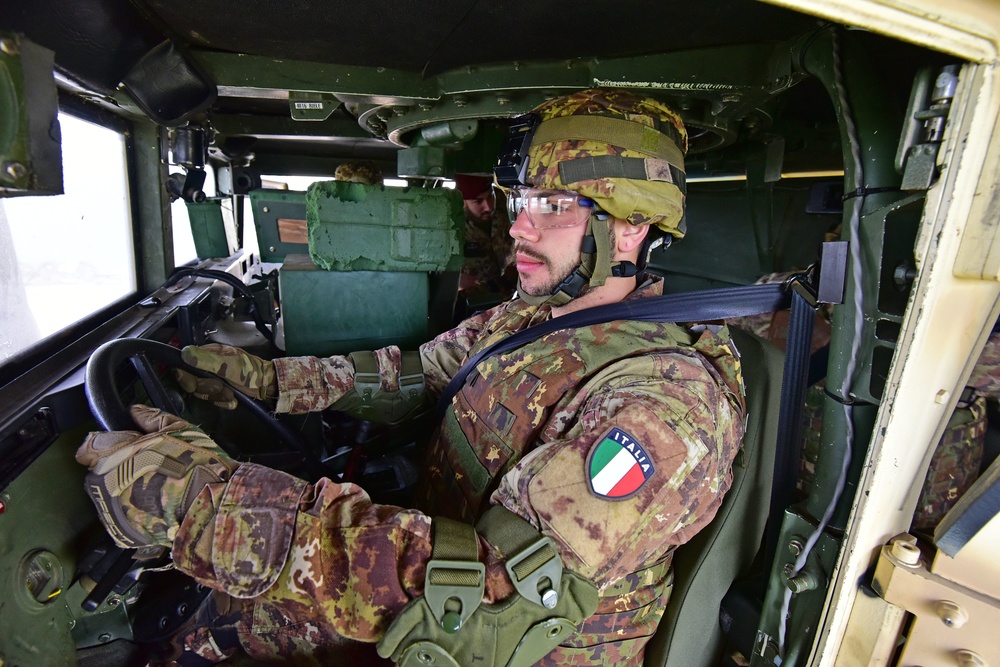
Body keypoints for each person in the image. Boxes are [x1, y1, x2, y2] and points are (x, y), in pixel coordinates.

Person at [76, 89, 745, 666]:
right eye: (520, 200)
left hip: (495, 640)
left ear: (628, 226)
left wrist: (205, 508)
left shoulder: (666, 406)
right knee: (208, 607)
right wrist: (266, 382)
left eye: (549, 204)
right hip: (430, 584)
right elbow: (418, 374)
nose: (518, 225)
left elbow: (495, 591)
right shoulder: (536, 319)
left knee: (207, 626)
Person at [453, 173, 516, 303]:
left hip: (514, 295)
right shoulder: (452, 227)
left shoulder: (509, 209)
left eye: (490, 196)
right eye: (478, 201)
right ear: (463, 202)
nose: (488, 206)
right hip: (475, 300)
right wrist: (453, 280)